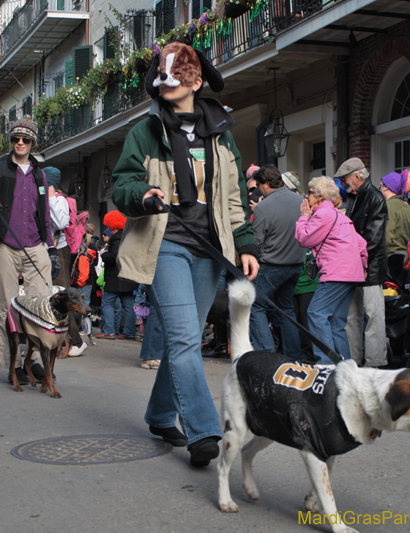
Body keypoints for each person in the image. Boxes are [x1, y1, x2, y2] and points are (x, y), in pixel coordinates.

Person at [112, 41, 259, 467]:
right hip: (165, 244)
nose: (165, 82)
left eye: (176, 74)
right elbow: (122, 185)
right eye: (161, 74)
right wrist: (142, 194)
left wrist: (245, 243)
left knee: (186, 342)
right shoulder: (147, 129)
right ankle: (204, 432)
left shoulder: (221, 130)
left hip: (209, 249)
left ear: (195, 79)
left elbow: (233, 198)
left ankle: (159, 414)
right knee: (180, 339)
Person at [0, 116, 58, 385]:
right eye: (15, 139)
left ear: (33, 142)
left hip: (34, 244)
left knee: (41, 305)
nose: (20, 143)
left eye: (25, 139)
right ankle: (15, 365)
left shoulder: (39, 174)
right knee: (9, 306)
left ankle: (36, 361)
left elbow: (43, 213)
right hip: (2, 244)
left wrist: (51, 247)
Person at [295, 177, 367, 365]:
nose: (307, 196)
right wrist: (363, 266)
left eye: (310, 192)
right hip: (351, 274)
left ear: (319, 196)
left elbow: (304, 239)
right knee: (336, 322)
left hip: (336, 272)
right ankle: (346, 368)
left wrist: (303, 218)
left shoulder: (323, 215)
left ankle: (326, 365)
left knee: (316, 314)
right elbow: (362, 244)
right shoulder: (340, 215)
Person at [248, 164, 306, 358]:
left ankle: (267, 356)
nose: (258, 190)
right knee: (286, 309)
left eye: (258, 186)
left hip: (272, 264)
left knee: (256, 307)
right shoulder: (300, 200)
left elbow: (256, 240)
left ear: (265, 184)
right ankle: (294, 356)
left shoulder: (264, 206)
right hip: (296, 263)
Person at [336, 158, 388, 367]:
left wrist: (363, 264)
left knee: (371, 315)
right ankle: (356, 360)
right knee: (354, 316)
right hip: (359, 263)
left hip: (369, 266)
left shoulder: (373, 197)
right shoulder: (357, 196)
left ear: (357, 175)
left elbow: (373, 238)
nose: (343, 183)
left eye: (345, 178)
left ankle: (375, 361)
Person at [98, 210, 138, 340]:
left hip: (116, 277)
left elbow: (115, 256)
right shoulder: (127, 236)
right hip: (128, 277)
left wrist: (103, 254)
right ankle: (129, 332)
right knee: (128, 306)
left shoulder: (116, 239)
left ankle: (108, 331)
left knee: (107, 302)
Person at [44, 167, 71, 288]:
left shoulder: (60, 199)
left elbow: (61, 223)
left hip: (58, 248)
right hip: (43, 249)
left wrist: (51, 199)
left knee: (59, 287)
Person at [379, 170, 410, 256]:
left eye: (380, 186)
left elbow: (386, 238)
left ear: (386, 187)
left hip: (391, 257)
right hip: (406, 257)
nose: (379, 189)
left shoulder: (388, 206)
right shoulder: (407, 207)